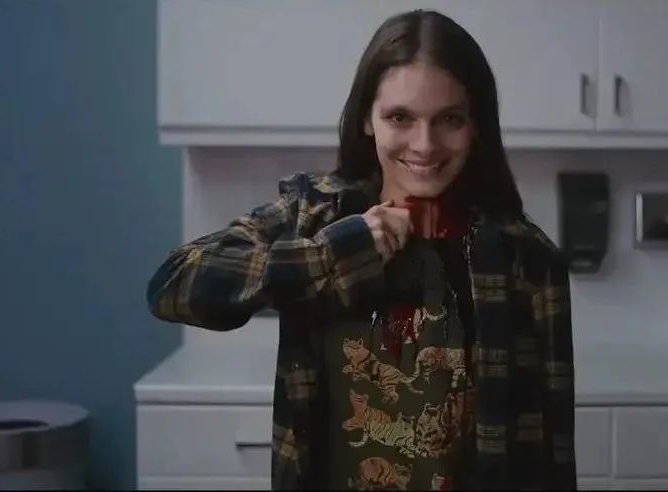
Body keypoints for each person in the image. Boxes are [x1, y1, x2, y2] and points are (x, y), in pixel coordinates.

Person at [146, 9, 575, 491]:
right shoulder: (314, 216)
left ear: (476, 125)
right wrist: (334, 254)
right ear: (368, 119)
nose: (425, 144)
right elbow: (173, 285)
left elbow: (552, 457)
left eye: (450, 119)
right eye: (400, 117)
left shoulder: (528, 260)